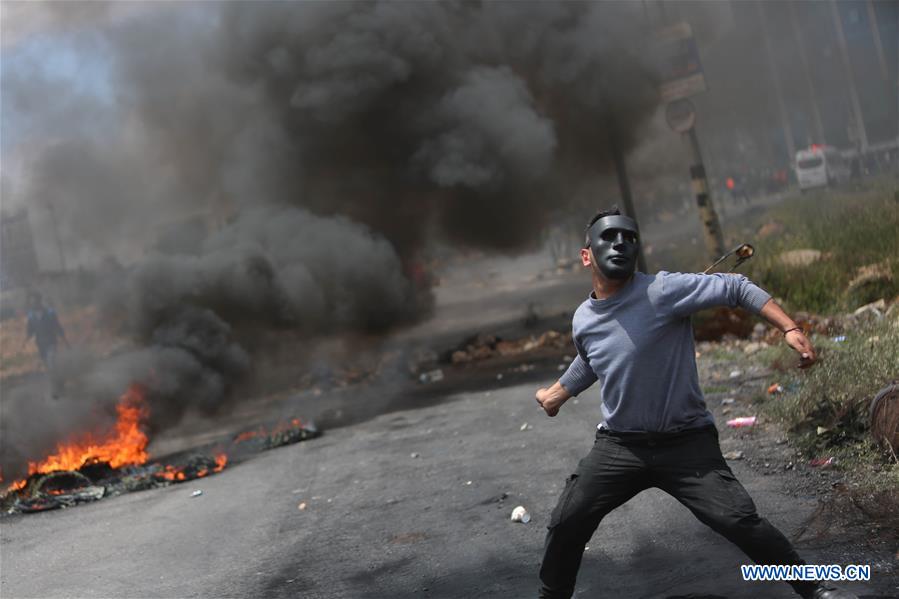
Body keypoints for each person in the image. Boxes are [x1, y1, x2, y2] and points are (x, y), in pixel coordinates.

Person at [534, 208, 857, 599]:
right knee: (568, 520)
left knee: (739, 521)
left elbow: (735, 285)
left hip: (685, 443)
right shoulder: (584, 317)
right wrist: (557, 394)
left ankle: (817, 589)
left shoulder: (664, 291)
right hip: (621, 446)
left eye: (628, 237)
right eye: (609, 237)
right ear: (587, 255)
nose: (620, 243)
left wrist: (789, 328)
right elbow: (595, 358)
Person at [22, 291, 68, 371]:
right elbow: (30, 330)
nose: (33, 304)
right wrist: (26, 340)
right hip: (40, 343)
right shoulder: (31, 316)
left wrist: (64, 339)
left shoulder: (50, 313)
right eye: (31, 302)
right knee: (46, 363)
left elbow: (57, 327)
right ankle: (57, 379)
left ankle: (56, 377)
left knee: (51, 360)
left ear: (39, 301)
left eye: (35, 302)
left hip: (51, 341)